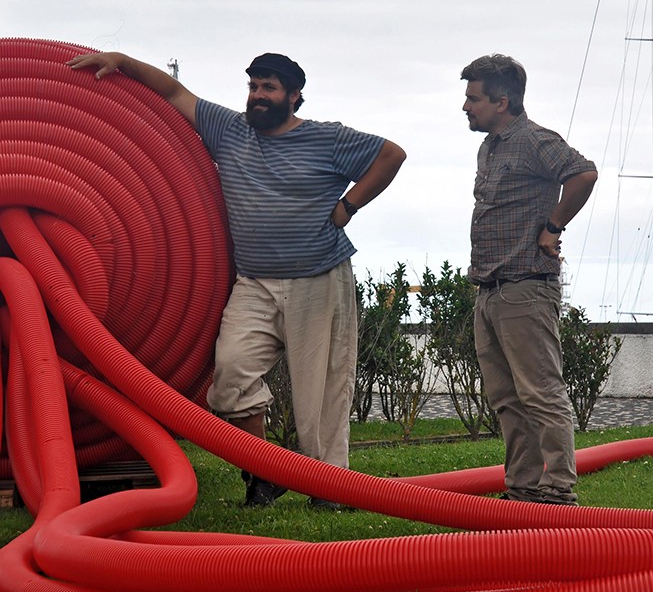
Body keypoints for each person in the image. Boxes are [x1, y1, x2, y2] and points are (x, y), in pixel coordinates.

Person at [69, 49, 406, 508]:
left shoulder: (326, 138)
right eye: (253, 86)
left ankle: (330, 488)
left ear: (294, 95)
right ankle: (265, 472)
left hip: (318, 279)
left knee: (321, 396)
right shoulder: (229, 129)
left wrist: (349, 205)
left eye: (269, 88)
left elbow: (391, 155)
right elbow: (174, 92)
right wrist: (122, 61)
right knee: (230, 378)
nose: (258, 95)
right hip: (254, 283)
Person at [461, 53, 597, 505]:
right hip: (490, 290)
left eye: (474, 98)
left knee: (540, 392)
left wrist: (553, 227)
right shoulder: (490, 147)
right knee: (506, 398)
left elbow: (583, 173)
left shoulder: (535, 140)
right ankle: (522, 488)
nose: (466, 106)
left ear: (501, 102)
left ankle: (557, 489)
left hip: (525, 287)